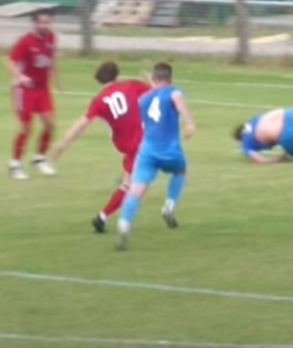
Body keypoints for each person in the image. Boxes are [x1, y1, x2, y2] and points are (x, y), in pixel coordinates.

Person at [49, 61, 152, 233]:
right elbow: (157, 91)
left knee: (130, 181)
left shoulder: (98, 101)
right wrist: (148, 79)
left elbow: (81, 125)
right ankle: (118, 220)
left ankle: (103, 218)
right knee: (136, 184)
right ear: (116, 75)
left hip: (124, 144)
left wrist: (63, 144)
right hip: (140, 140)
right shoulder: (130, 85)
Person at [116, 62, 196, 251]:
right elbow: (175, 98)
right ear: (171, 79)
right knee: (181, 170)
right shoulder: (174, 91)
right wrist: (189, 122)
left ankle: (124, 222)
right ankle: (169, 205)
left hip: (147, 150)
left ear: (154, 80)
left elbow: (156, 99)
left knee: (136, 190)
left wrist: (151, 85)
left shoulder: (143, 98)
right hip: (168, 149)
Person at [6, 11, 59, 180]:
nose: (44, 26)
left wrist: (55, 78)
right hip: (25, 89)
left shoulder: (51, 38)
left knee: (50, 124)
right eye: (41, 23)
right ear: (35, 24)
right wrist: (20, 77)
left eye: (47, 22)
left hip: (42, 89)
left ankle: (39, 158)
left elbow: (52, 58)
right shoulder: (25, 41)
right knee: (26, 128)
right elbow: (9, 61)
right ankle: (15, 163)